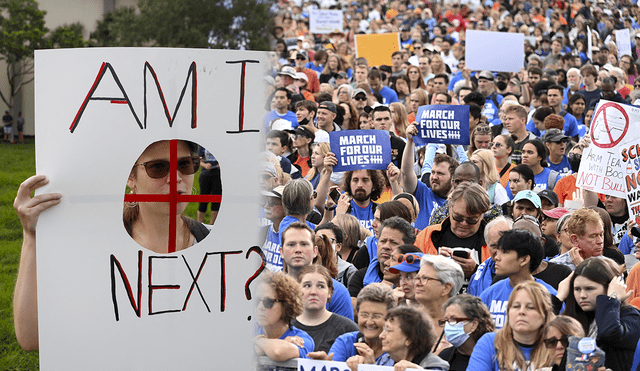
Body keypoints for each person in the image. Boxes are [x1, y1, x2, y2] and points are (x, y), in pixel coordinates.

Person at [557, 258, 640, 371]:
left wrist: (612, 298)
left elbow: (609, 333)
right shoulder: (573, 318)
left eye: (589, 289)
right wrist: (559, 298)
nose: (582, 295)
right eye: (577, 289)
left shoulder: (630, 315)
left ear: (609, 287)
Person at [480, 229, 559, 329]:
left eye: (505, 252)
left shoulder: (548, 296)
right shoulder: (489, 295)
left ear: (524, 259)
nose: (497, 257)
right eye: (498, 251)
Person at [468, 281, 555, 371]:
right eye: (516, 306)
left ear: (545, 315)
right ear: (508, 312)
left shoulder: (557, 346)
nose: (521, 312)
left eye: (530, 307)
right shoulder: (490, 342)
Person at [280, 222, 354, 320]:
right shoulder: (271, 289)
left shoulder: (337, 292)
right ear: (282, 252)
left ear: (315, 251)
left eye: (304, 244)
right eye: (291, 244)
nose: (298, 250)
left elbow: (346, 333)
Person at [416, 182, 491, 277]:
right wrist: (434, 264)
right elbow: (412, 273)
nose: (463, 223)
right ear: (450, 208)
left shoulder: (493, 241)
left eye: (471, 220)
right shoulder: (427, 236)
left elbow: (501, 283)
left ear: (482, 216)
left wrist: (476, 271)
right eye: (458, 217)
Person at [309, 283, 396, 365]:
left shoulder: (399, 348)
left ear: (391, 318)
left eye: (376, 316)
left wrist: (369, 368)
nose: (369, 322)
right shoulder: (346, 342)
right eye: (364, 315)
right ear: (357, 314)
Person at [347, 306, 450, 371]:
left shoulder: (436, 366)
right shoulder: (385, 360)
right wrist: (366, 368)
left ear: (409, 339)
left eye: (388, 330)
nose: (381, 336)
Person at [292, 265, 359, 353]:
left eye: (320, 286)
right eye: (307, 286)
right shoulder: (284, 326)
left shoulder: (347, 329)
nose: (313, 292)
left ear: (329, 292)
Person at [254, 271, 315, 361]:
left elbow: (277, 352)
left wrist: (257, 341)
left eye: (268, 302)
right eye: (256, 301)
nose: (260, 307)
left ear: (286, 305)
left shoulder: (302, 339)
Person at [414, 254, 464, 352]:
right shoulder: (406, 319)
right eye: (417, 278)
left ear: (446, 288)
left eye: (425, 278)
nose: (417, 283)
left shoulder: (462, 326)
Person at [438, 294, 496, 371]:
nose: (448, 326)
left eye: (453, 319)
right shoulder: (445, 357)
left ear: (474, 324)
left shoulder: (494, 356)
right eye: (446, 320)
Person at [468, 216, 513, 297]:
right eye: (494, 246)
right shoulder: (477, 277)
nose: (499, 252)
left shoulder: (527, 273)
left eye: (504, 245)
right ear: (487, 245)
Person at [315, 222, 357, 287]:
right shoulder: (306, 268)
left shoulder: (348, 271)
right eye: (319, 239)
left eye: (329, 240)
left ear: (339, 246)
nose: (322, 244)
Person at [197, 146, 222, 225]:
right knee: (203, 200)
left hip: (218, 174)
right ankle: (200, 224)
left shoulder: (220, 144)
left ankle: (212, 225)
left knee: (216, 200)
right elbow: (198, 160)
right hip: (205, 174)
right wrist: (205, 165)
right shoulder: (202, 145)